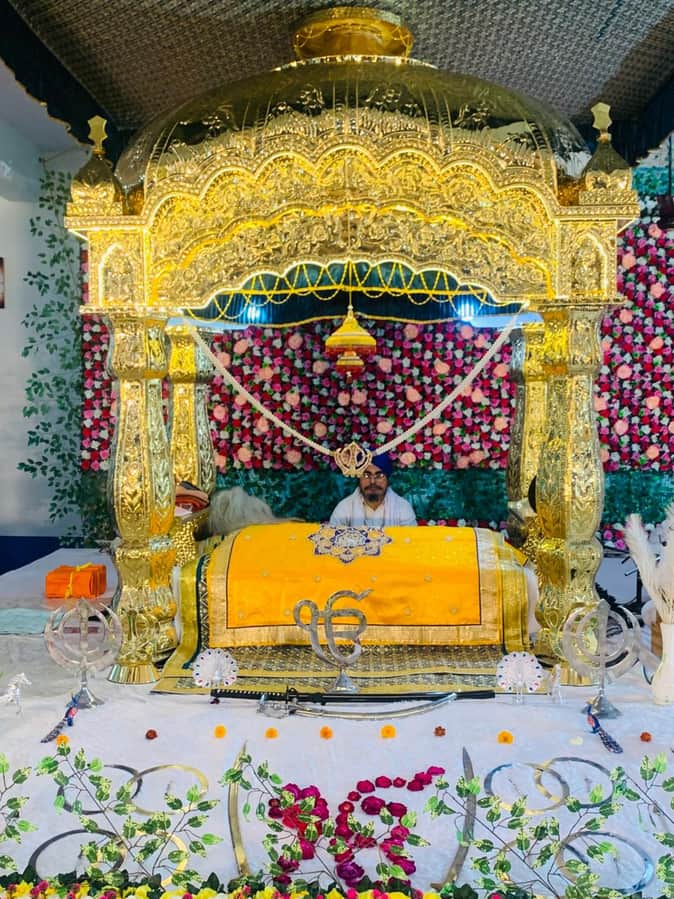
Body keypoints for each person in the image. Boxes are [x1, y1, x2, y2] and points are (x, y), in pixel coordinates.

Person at [329, 452, 417, 527]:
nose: (372, 481)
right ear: (359, 478)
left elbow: (411, 540)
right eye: (366, 475)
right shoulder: (344, 508)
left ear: (388, 479)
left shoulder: (403, 508)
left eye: (379, 476)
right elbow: (332, 539)